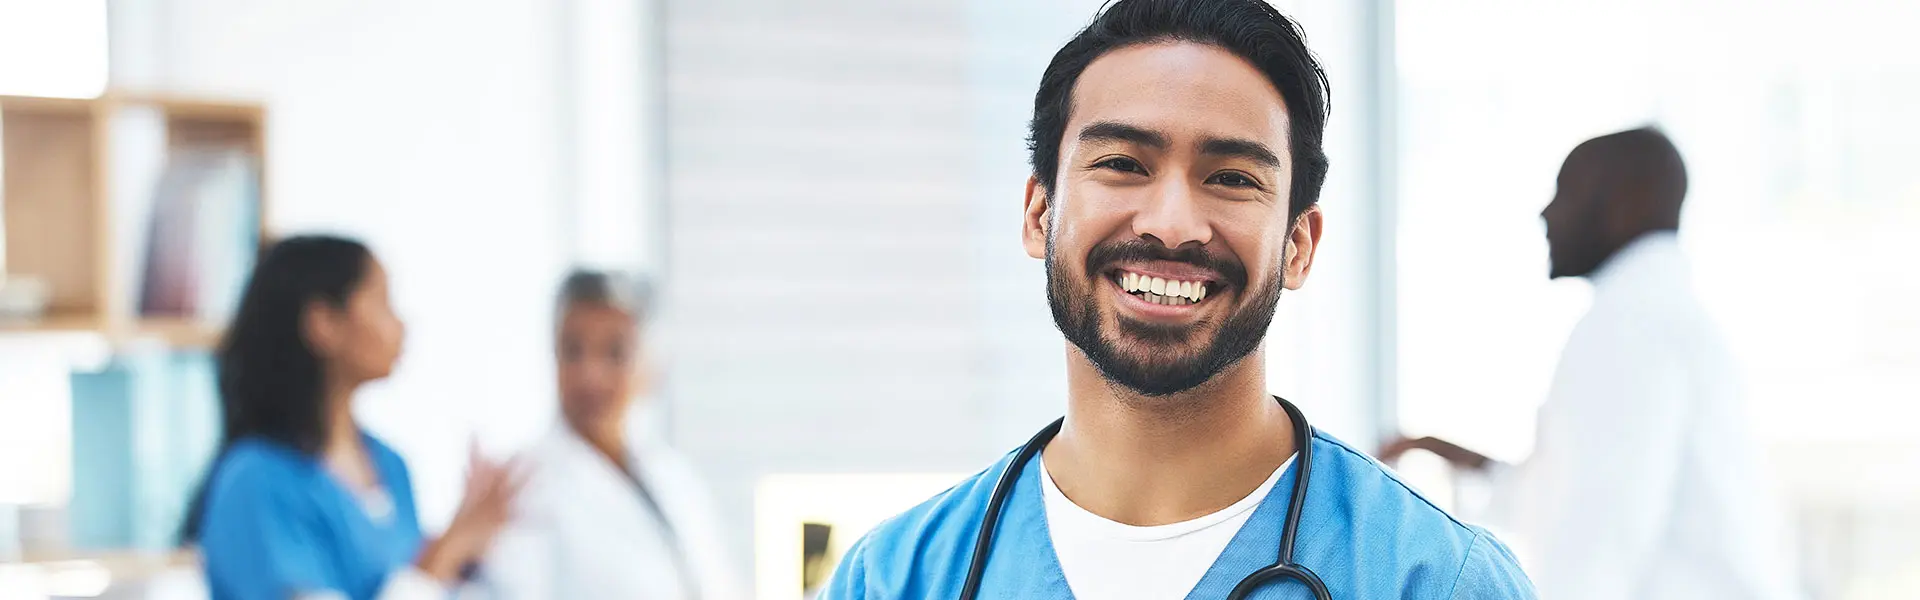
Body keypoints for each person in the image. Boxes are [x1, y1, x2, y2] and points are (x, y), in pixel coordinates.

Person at [817, 1, 1537, 598]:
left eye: (1230, 178)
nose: (1171, 224)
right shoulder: (894, 579)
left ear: (1299, 245)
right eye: (1123, 164)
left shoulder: (1435, 580)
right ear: (1039, 214)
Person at [1379, 128, 1803, 600]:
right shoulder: (1658, 314)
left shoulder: (1631, 323)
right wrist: (1445, 451)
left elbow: (1600, 540)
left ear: (1626, 203)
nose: (1547, 213)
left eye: (1567, 191)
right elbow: (1565, 493)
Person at [181, 235, 521, 600]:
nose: (400, 325)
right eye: (381, 302)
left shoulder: (391, 466)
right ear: (323, 322)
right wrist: (439, 561)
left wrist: (465, 553)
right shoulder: (255, 482)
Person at [479, 270, 743, 599]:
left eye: (615, 352)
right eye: (573, 350)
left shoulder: (674, 476)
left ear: (652, 365)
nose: (590, 375)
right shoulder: (521, 487)